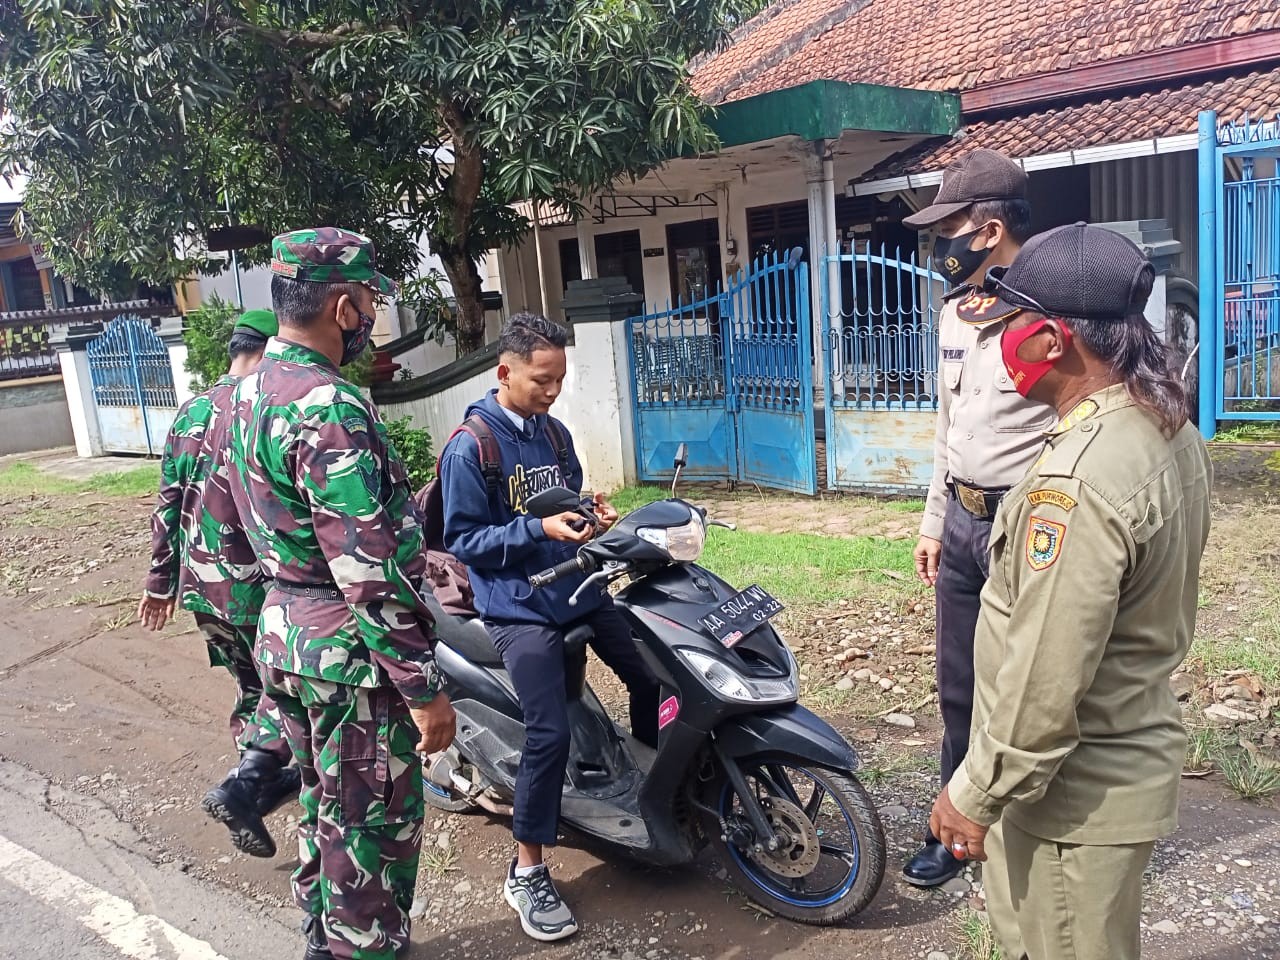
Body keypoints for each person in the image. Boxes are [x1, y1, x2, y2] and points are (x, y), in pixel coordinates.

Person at [929, 223, 1211, 960]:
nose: (997, 342)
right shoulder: (1167, 426)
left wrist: (975, 791)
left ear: (1052, 340)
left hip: (1069, 799)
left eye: (1010, 324)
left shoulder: (1076, 483)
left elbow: (1045, 675)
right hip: (1120, 758)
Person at [228, 228, 456, 960]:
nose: (374, 315)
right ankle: (363, 948)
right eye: (370, 300)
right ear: (342, 305)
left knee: (325, 804)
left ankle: (323, 938)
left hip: (286, 640)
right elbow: (365, 567)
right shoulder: (327, 405)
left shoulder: (244, 393)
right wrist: (423, 690)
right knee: (371, 827)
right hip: (349, 658)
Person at [439, 312, 660, 943]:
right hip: (517, 605)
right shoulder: (472, 446)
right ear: (505, 371)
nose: (552, 391)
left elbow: (566, 500)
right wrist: (537, 530)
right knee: (549, 734)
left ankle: (651, 784)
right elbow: (464, 539)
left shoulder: (553, 435)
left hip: (575, 587)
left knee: (650, 679)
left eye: (560, 379)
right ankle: (528, 869)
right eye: (542, 380)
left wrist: (589, 512)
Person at [899, 148, 1055, 887]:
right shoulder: (955, 315)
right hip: (963, 525)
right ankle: (956, 832)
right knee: (959, 685)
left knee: (1030, 683)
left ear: (988, 229)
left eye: (950, 228)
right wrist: (934, 521)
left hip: (1029, 527)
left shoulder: (1056, 313)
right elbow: (947, 425)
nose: (942, 244)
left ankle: (1035, 829)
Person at [139, 307, 299, 858]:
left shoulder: (191, 411)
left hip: (203, 587)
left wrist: (161, 580)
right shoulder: (256, 407)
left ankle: (248, 790)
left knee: (252, 691)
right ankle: (246, 787)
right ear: (264, 349)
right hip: (259, 583)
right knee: (284, 693)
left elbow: (168, 502)